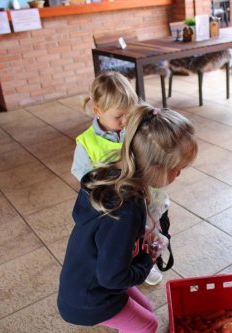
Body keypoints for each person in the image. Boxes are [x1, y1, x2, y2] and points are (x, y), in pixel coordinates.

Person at [58, 105, 198, 332]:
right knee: (148, 325)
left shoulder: (116, 174)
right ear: (155, 167)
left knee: (147, 306)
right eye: (177, 169)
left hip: (88, 277)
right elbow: (112, 278)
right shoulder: (125, 210)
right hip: (89, 297)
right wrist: (147, 261)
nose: (179, 174)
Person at [70, 71, 163, 286]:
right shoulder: (86, 142)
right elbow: (84, 177)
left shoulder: (130, 125)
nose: (124, 121)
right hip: (114, 205)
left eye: (128, 115)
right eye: (118, 116)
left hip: (140, 195)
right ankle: (125, 264)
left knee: (148, 228)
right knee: (122, 239)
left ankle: (146, 263)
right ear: (98, 111)